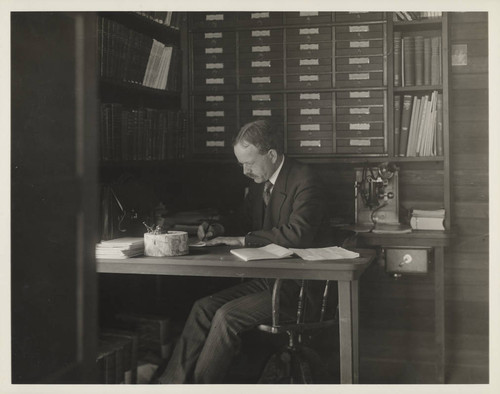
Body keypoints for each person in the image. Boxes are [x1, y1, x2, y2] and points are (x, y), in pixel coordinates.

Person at [158, 119, 333, 384]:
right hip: (268, 279)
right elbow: (244, 217)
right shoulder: (259, 181)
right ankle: (169, 385)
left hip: (298, 289)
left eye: (249, 163)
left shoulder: (305, 179)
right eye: (241, 164)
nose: (245, 171)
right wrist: (219, 226)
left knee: (227, 317)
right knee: (203, 308)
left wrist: (243, 240)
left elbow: (298, 234)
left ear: (271, 155)